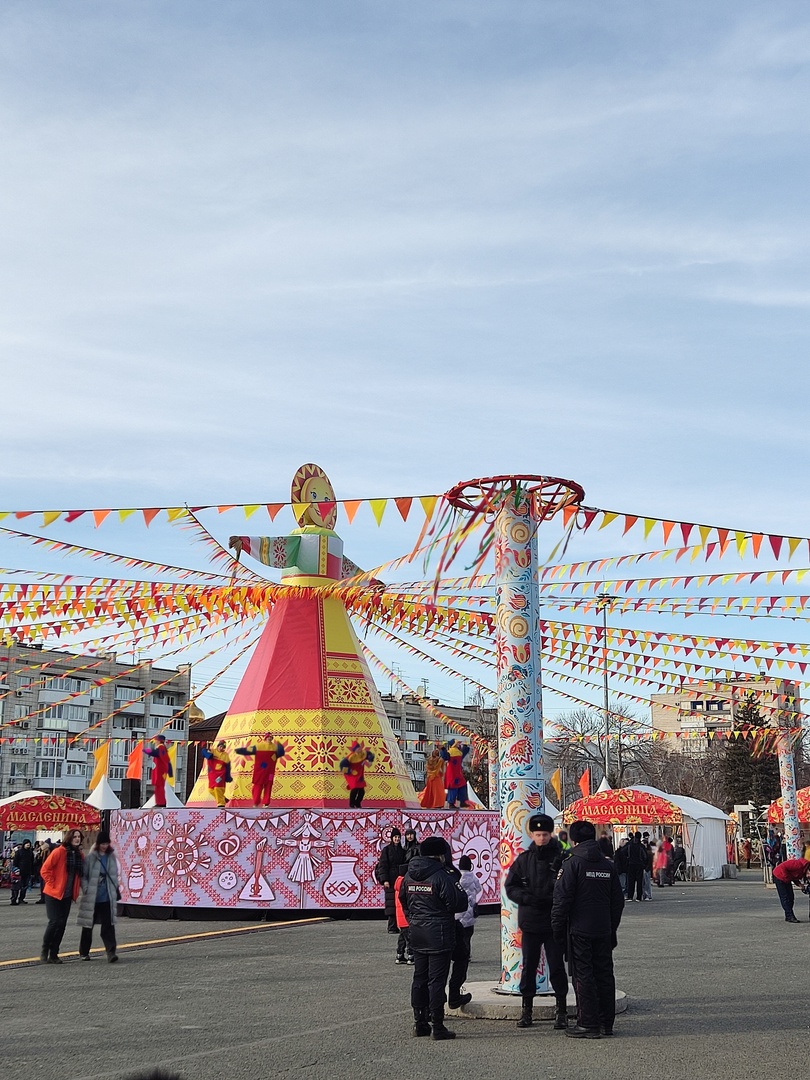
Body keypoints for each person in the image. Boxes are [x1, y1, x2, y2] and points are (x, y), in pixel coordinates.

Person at [551, 819, 625, 1039]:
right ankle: (606, 1022)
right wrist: (611, 927)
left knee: (583, 975)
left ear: (573, 840)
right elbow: (617, 902)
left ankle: (588, 1023)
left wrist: (558, 932)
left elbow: (561, 901)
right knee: (604, 973)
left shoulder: (572, 864)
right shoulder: (607, 865)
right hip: (603, 929)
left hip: (579, 929)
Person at [400, 835, 469, 1041]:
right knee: (436, 980)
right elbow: (458, 903)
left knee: (419, 977)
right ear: (440, 854)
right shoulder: (442, 875)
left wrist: (415, 917)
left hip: (417, 931)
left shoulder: (408, 875)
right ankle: (437, 1026)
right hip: (439, 933)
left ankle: (419, 1022)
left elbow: (403, 899)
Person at [504, 812, 569, 1030]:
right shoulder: (523, 860)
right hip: (531, 921)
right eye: (538, 834)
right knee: (529, 966)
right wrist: (527, 898)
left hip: (553, 922)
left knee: (557, 966)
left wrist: (554, 900)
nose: (542, 838)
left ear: (551, 834)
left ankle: (561, 1010)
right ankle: (526, 1010)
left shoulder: (561, 858)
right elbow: (510, 886)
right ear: (531, 834)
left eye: (545, 834)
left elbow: (568, 887)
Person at [40, 829, 84, 964]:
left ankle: (54, 953)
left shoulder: (79, 855)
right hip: (53, 893)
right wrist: (53, 883)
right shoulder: (59, 851)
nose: (77, 839)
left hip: (67, 894)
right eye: (75, 836)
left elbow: (82, 873)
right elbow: (44, 870)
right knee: (54, 922)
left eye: (79, 837)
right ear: (69, 838)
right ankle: (45, 949)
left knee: (62, 924)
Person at [77, 831, 121, 962]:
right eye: (102, 843)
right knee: (88, 926)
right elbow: (83, 876)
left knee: (108, 926)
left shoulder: (111, 857)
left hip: (107, 897)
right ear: (98, 844)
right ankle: (84, 952)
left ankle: (111, 952)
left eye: (106, 843)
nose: (104, 846)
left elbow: (115, 874)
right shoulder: (91, 858)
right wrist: (85, 888)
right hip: (92, 897)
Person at [448, 854, 482, 1011]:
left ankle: (463, 954)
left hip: (459, 916)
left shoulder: (457, 878)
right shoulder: (473, 878)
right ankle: (467, 954)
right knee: (468, 938)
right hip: (470, 916)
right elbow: (479, 888)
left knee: (459, 939)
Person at [235, 734, 285, 807]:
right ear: (265, 738)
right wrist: (238, 750)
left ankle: (266, 803)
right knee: (257, 786)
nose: (270, 738)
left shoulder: (275, 747)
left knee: (268, 785)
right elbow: (248, 750)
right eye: (268, 737)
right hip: (259, 771)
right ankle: (256, 802)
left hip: (270, 772)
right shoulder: (258, 746)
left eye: (271, 737)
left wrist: (280, 746)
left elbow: (280, 753)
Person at [375, 828, 407, 933]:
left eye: (398, 837)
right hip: (390, 879)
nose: (397, 839)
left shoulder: (403, 851)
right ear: (391, 838)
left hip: (400, 879)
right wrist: (385, 880)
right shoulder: (387, 850)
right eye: (395, 837)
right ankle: (391, 926)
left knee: (400, 902)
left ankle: (402, 925)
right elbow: (383, 865)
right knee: (391, 903)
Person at [772, 856, 810, 923]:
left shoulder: (803, 870)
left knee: (791, 897)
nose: (808, 876)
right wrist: (787, 877)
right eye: (808, 874)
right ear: (808, 870)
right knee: (785, 897)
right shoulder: (798, 865)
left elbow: (794, 876)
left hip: (786, 879)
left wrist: (799, 885)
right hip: (779, 876)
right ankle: (790, 916)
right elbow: (783, 867)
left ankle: (788, 915)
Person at [339, 741, 374, 808]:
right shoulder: (350, 757)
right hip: (352, 775)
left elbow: (369, 755)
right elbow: (342, 766)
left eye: (359, 748)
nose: (359, 750)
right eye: (357, 748)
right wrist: (349, 771)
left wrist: (370, 760)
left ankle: (357, 803)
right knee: (354, 788)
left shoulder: (363, 754)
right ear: (354, 749)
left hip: (360, 775)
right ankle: (352, 804)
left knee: (361, 791)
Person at [441, 741, 474, 809]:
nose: (459, 744)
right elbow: (445, 757)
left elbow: (463, 752)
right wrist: (443, 749)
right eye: (457, 743)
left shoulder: (458, 752)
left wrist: (465, 746)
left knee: (462, 785)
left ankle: (462, 801)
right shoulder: (450, 752)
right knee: (453, 787)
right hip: (452, 774)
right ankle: (451, 803)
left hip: (458, 773)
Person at [144, 735, 173, 807]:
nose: (155, 742)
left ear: (159, 741)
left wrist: (145, 750)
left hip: (161, 772)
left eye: (156, 740)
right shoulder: (162, 748)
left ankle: (161, 803)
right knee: (158, 787)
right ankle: (159, 802)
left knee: (159, 787)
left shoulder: (161, 748)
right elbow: (167, 760)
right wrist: (170, 772)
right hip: (161, 771)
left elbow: (156, 753)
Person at [200, 740, 232, 807]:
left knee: (218, 787)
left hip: (221, 774)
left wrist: (228, 776)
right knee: (210, 789)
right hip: (212, 774)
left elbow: (228, 766)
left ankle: (221, 804)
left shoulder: (225, 755)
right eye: (221, 746)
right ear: (218, 746)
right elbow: (203, 751)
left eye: (223, 747)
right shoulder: (213, 751)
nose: (221, 748)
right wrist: (208, 755)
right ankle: (222, 798)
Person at [393, 866, 413, 965]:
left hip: (399, 917)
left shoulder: (397, 884)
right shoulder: (405, 884)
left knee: (402, 937)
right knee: (410, 937)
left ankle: (399, 954)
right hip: (405, 916)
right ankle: (411, 955)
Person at [418, 744, 446, 808]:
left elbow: (427, 768)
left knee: (430, 792)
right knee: (438, 792)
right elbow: (442, 770)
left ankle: (429, 803)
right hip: (436, 777)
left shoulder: (429, 760)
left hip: (430, 777)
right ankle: (437, 804)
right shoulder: (440, 760)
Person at [625, 831, 648, 902]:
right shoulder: (641, 846)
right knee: (639, 881)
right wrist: (644, 864)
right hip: (639, 865)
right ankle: (638, 897)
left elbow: (623, 852)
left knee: (630, 881)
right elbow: (645, 856)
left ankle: (630, 896)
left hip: (630, 864)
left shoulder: (629, 845)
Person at [11, 839, 34, 905]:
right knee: (17, 886)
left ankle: (21, 899)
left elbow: (32, 862)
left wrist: (32, 872)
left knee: (25, 886)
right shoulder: (19, 852)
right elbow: (15, 862)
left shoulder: (30, 852)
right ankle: (14, 899)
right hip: (19, 872)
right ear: (24, 844)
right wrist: (15, 870)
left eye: (29, 844)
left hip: (28, 871)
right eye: (27, 844)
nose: (28, 845)